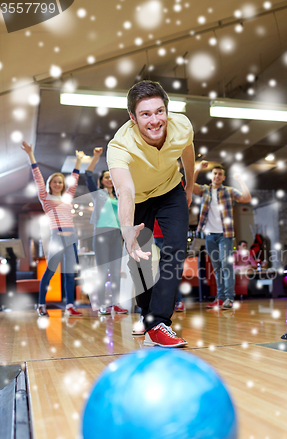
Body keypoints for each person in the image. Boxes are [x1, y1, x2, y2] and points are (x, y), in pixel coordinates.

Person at [107, 80, 194, 347]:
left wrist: (189, 186)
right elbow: (126, 190)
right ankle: (147, 318)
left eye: (159, 111)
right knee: (139, 257)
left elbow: (187, 151)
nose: (155, 120)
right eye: (145, 114)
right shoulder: (119, 147)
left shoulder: (182, 125)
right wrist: (126, 230)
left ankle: (157, 324)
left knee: (176, 248)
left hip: (170, 189)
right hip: (139, 198)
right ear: (133, 118)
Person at [21, 141, 83, 317]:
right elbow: (37, 176)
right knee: (50, 272)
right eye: (55, 182)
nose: (58, 184)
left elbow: (75, 180)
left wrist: (78, 161)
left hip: (72, 238)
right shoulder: (45, 197)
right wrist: (30, 154)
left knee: (70, 274)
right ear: (50, 184)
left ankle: (70, 305)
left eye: (61, 182)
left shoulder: (67, 198)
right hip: (57, 236)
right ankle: (41, 304)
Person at [193, 162, 251, 310]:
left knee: (226, 265)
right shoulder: (205, 190)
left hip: (225, 235)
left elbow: (246, 198)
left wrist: (240, 180)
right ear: (211, 176)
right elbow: (191, 186)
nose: (217, 176)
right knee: (217, 268)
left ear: (223, 177)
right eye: (215, 173)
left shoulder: (228, 191)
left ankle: (229, 299)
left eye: (220, 174)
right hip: (210, 236)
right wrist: (197, 169)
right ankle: (220, 299)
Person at [84, 147, 128, 316]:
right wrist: (96, 157)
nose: (109, 179)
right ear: (101, 181)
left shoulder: (119, 196)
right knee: (103, 272)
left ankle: (116, 304)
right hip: (101, 234)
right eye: (106, 177)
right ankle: (103, 305)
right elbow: (87, 176)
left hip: (117, 235)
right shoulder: (98, 194)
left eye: (111, 177)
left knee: (115, 272)